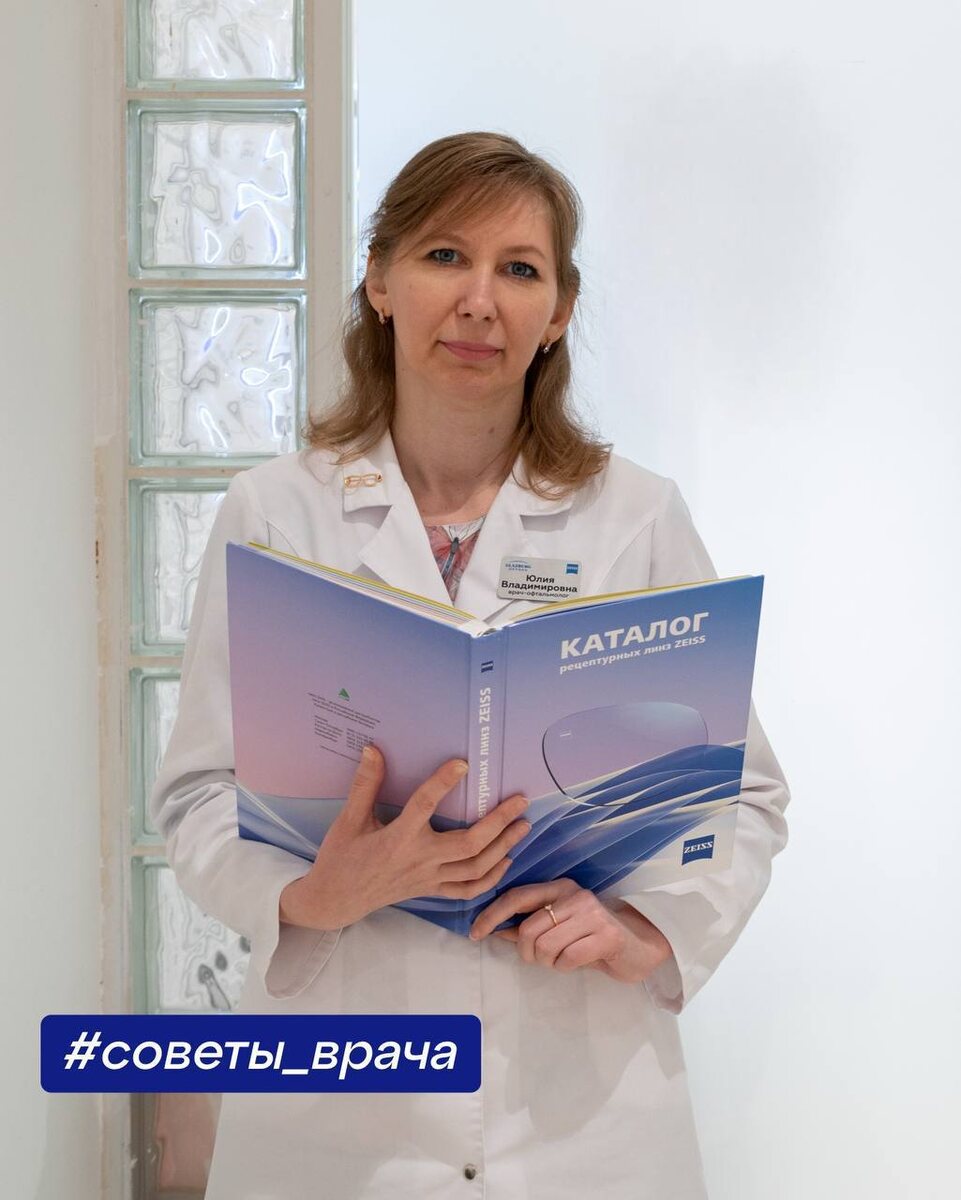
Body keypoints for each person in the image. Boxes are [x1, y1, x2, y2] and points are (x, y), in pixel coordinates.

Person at [151, 130, 790, 1199]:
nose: (479, 301)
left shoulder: (635, 517)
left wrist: (646, 927)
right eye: (444, 256)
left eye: (519, 269)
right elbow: (197, 795)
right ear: (380, 280)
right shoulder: (277, 512)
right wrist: (312, 894)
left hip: (582, 1112)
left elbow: (747, 794)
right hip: (338, 1113)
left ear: (559, 311)